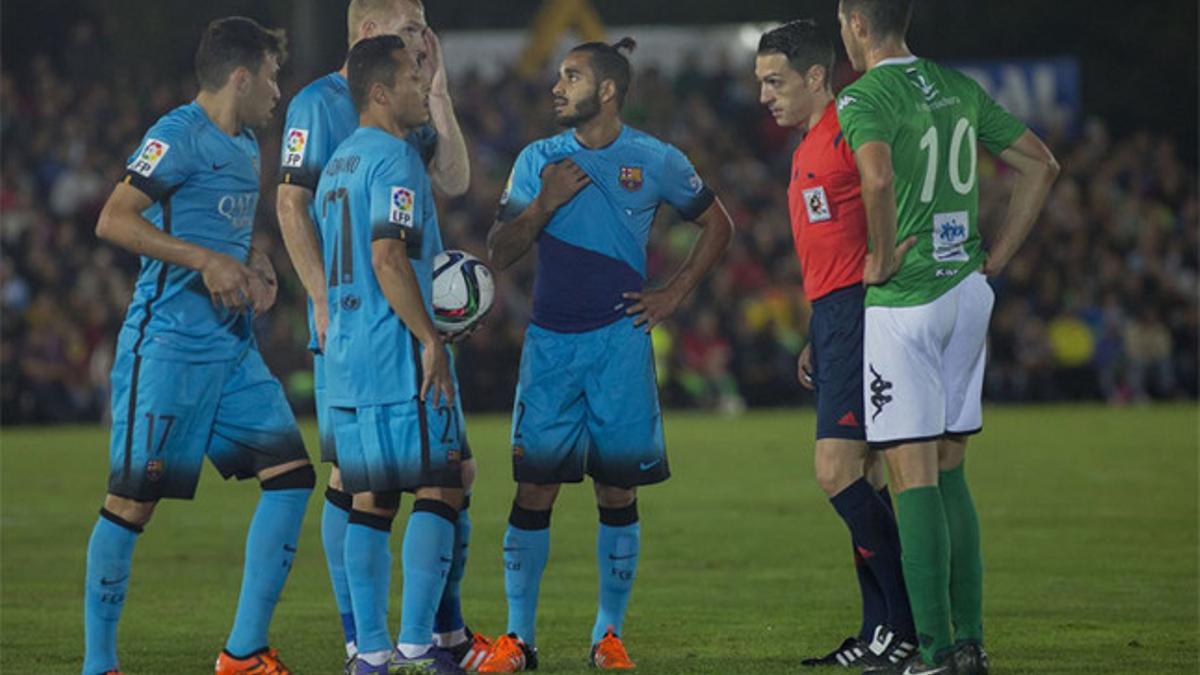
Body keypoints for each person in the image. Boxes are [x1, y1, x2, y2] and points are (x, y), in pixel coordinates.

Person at [477, 38, 735, 672]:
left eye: (572, 76)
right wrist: (543, 203)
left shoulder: (654, 158)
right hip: (550, 346)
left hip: (618, 345)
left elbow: (718, 223)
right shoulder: (539, 159)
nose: (557, 87)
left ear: (609, 91)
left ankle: (606, 636)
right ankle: (519, 640)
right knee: (534, 488)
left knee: (616, 490)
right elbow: (498, 250)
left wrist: (673, 292)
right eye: (559, 76)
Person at [83, 17, 313, 675]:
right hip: (168, 349)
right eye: (271, 77)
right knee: (132, 502)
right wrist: (206, 261)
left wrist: (254, 260)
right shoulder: (176, 135)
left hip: (230, 350)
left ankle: (242, 651)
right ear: (241, 77)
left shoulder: (244, 146)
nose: (278, 91)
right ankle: (99, 665)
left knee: (292, 477)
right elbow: (114, 219)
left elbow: (223, 230)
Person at [835, 1, 1060, 672]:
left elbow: (875, 175)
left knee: (911, 475)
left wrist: (879, 256)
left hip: (908, 302)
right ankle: (970, 642)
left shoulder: (865, 96)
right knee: (952, 467)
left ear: (855, 22)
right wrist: (1000, 256)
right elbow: (1041, 165)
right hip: (968, 291)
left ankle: (930, 650)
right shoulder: (958, 86)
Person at [274, 0, 483, 670]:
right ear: (370, 39)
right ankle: (420, 640)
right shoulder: (331, 113)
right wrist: (331, 303)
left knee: (366, 484)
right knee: (433, 478)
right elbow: (302, 208)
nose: (424, 36)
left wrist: (438, 86)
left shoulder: (365, 146)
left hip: (361, 335)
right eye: (411, 25)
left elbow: (453, 178)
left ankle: (377, 646)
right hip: (386, 333)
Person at [755, 19, 915, 670]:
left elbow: (893, 185)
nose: (765, 96)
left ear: (817, 76)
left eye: (775, 82)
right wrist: (817, 329)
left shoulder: (852, 118)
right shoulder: (809, 141)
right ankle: (880, 631)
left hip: (860, 308)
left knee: (836, 470)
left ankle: (904, 627)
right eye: (761, 83)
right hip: (835, 314)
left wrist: (881, 260)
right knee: (865, 473)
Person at [315, 34, 468, 674]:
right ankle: (418, 645)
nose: (419, 92)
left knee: (370, 498)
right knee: (446, 481)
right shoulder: (396, 159)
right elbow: (386, 255)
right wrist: (431, 337)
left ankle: (371, 654)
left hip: (346, 356)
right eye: (411, 80)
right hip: (396, 350)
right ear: (380, 92)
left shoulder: (338, 164)